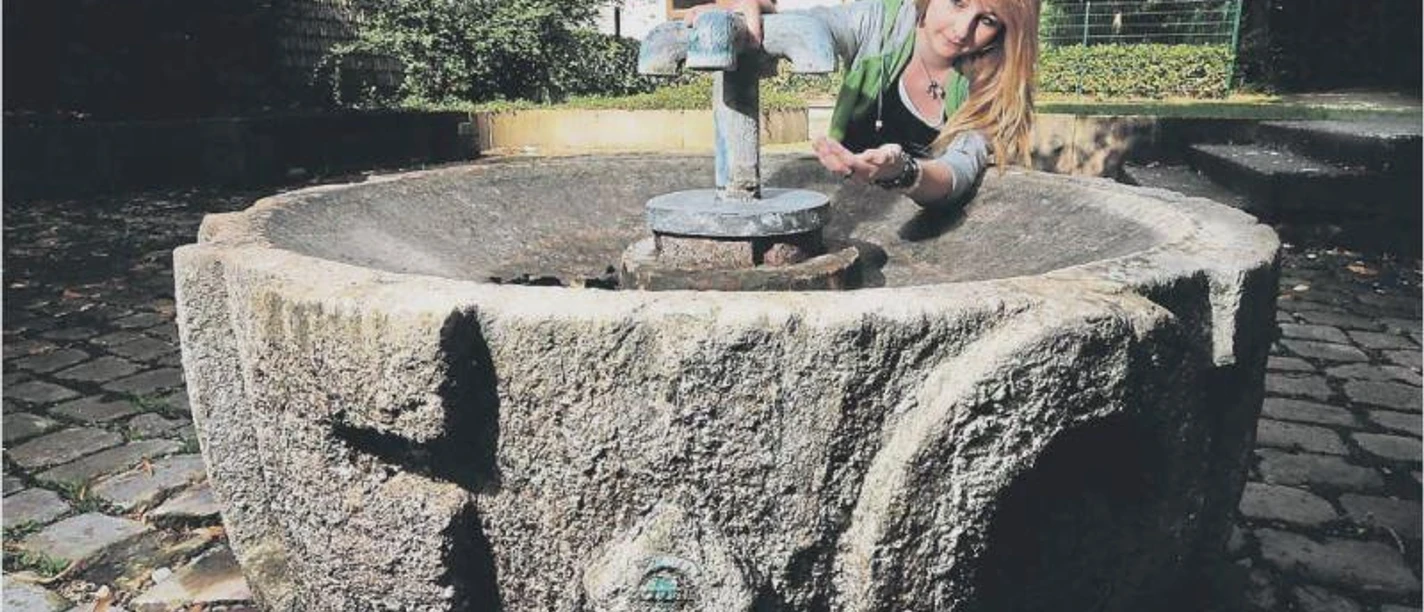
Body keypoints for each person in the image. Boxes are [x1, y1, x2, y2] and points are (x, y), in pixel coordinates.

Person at [684, 0, 1039, 209]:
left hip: (917, 235)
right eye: (958, 1)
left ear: (1004, 32)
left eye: (988, 19)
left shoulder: (991, 88)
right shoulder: (880, 22)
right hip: (843, 210)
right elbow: (825, 24)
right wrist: (762, 11)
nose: (963, 29)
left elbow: (957, 172)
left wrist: (902, 171)